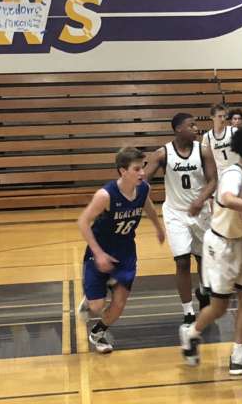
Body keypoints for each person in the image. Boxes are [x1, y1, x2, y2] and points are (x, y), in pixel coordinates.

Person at [179, 124, 242, 375]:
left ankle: (239, 355)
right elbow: (227, 198)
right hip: (222, 245)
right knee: (219, 307)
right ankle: (191, 333)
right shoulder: (234, 173)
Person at [77, 147, 165, 353]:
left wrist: (158, 226)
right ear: (122, 171)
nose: (142, 173)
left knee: (119, 304)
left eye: (143, 167)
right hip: (100, 252)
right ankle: (91, 299)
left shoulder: (143, 189)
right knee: (97, 306)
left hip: (125, 253)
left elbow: (147, 205)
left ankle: (98, 333)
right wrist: (98, 254)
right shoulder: (105, 195)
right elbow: (82, 222)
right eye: (137, 169)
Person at [145, 113, 217, 324]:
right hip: (176, 213)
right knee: (182, 261)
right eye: (191, 125)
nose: (196, 129)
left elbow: (213, 180)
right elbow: (143, 179)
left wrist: (201, 199)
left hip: (201, 212)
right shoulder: (162, 154)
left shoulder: (203, 151)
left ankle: (204, 292)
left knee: (204, 259)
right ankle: (188, 312)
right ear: (178, 129)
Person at [203, 103, 240, 175]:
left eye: (224, 116)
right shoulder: (207, 137)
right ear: (212, 117)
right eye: (219, 116)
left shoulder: (234, 131)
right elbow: (206, 159)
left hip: (235, 171)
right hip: (220, 174)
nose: (223, 119)